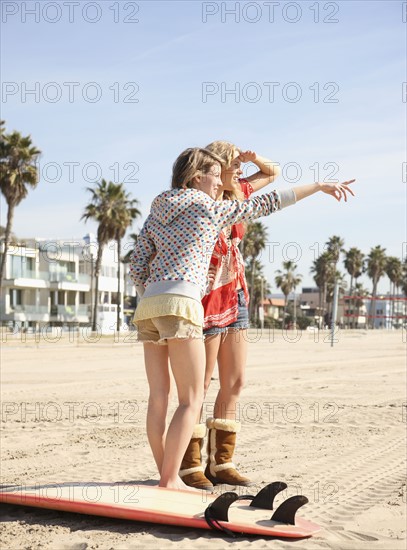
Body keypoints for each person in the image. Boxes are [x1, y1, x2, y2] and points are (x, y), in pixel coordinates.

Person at [129, 146, 355, 490]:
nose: (221, 182)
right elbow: (266, 203)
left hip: (148, 306)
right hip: (182, 302)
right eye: (215, 175)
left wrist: (151, 289)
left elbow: (137, 262)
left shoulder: (156, 210)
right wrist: (317, 186)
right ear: (196, 178)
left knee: (158, 396)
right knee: (191, 399)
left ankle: (166, 473)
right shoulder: (209, 208)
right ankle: (171, 479)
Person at [179, 142, 281, 490]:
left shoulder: (238, 194)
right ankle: (190, 465)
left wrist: (254, 158)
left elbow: (273, 173)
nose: (239, 169)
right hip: (206, 297)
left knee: (235, 381)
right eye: (233, 163)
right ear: (214, 167)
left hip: (235, 293)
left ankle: (222, 463)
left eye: (240, 164)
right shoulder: (201, 202)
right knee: (200, 385)